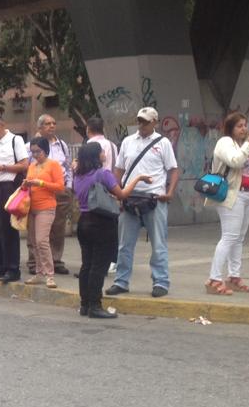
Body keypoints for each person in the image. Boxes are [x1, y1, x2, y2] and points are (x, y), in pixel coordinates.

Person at [107, 107, 180, 298]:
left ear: (155, 122)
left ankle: (161, 282)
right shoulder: (128, 142)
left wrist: (169, 192)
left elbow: (173, 169)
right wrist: (118, 193)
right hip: (130, 197)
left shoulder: (163, 143)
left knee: (158, 244)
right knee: (124, 244)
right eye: (140, 121)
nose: (142, 125)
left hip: (154, 198)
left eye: (146, 122)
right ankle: (121, 281)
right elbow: (119, 170)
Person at [73, 142, 151, 318]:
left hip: (84, 221)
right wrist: (138, 179)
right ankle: (95, 305)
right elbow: (122, 194)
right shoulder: (103, 174)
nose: (104, 153)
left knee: (87, 264)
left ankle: (85, 304)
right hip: (102, 222)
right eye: (101, 151)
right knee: (99, 266)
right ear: (96, 156)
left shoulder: (78, 176)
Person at [206, 112, 249, 296]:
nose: (244, 129)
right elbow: (235, 161)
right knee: (229, 236)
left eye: (245, 125)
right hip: (232, 195)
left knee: (239, 238)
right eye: (239, 126)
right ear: (230, 128)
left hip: (248, 194)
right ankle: (214, 279)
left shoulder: (240, 145)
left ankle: (234, 276)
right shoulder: (225, 143)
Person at [0, 115, 29, 283]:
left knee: (7, 229)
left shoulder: (15, 140)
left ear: (3, 125)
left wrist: (1, 167)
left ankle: (12, 268)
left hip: (7, 187)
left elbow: (24, 165)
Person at [30, 115, 73, 275]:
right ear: (40, 127)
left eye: (54, 123)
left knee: (58, 227)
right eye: (48, 124)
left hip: (59, 191)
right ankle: (35, 262)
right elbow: (29, 166)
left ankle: (56, 260)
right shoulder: (32, 145)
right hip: (39, 192)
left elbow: (67, 167)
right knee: (36, 231)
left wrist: (68, 187)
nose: (52, 126)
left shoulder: (62, 145)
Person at [23, 137, 65, 288]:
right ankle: (39, 272)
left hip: (46, 207)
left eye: (38, 151)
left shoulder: (53, 165)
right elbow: (28, 184)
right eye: (33, 152)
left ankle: (49, 274)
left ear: (45, 150)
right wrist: (25, 185)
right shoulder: (32, 166)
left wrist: (40, 183)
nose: (35, 154)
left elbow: (60, 187)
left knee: (42, 240)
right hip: (31, 207)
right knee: (34, 242)